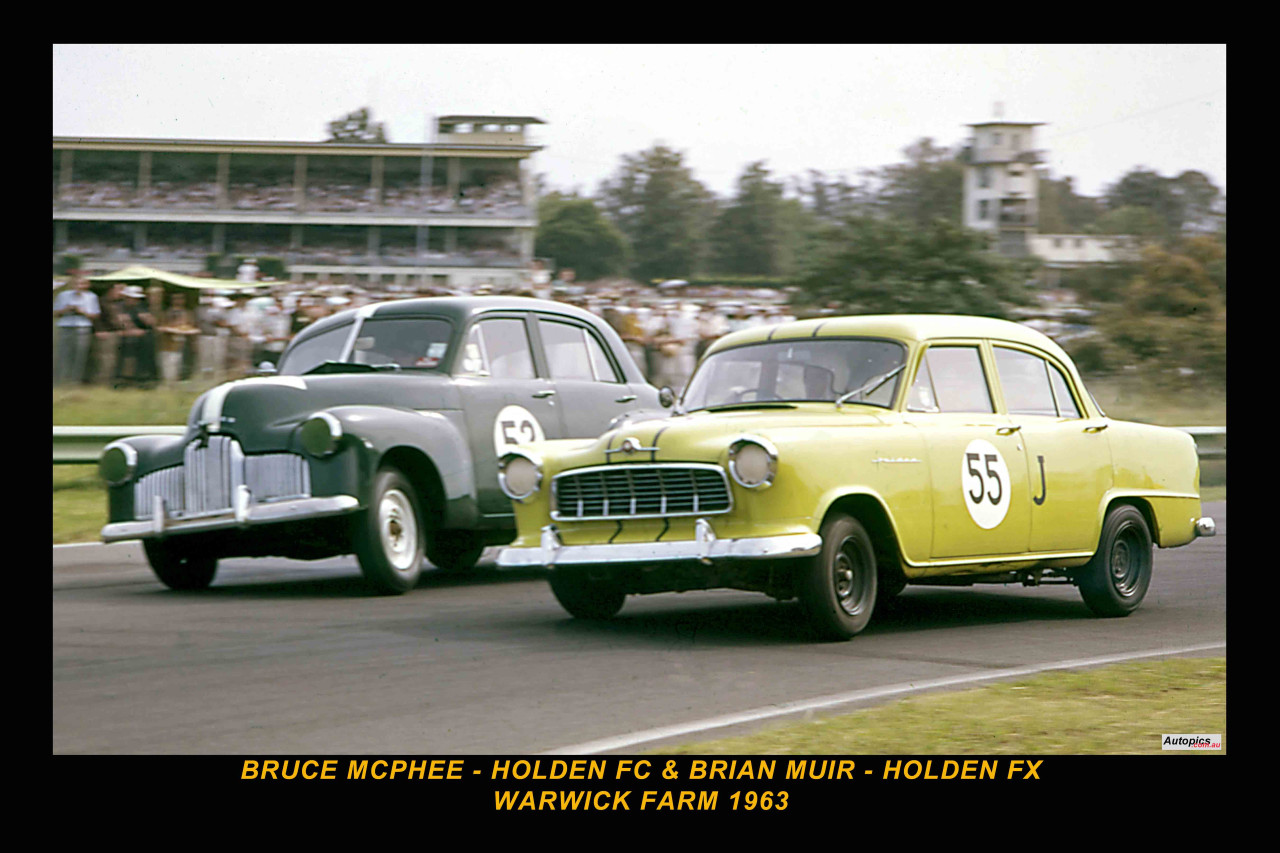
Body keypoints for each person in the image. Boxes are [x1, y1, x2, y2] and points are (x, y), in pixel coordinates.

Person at [53, 272, 100, 385]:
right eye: (76, 283)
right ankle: (59, 381)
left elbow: (95, 315)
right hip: (65, 327)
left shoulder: (91, 297)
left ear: (86, 285)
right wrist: (65, 309)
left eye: (81, 284)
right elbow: (55, 313)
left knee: (79, 355)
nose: (78, 286)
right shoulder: (63, 295)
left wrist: (82, 312)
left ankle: (74, 381)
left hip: (82, 328)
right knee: (63, 355)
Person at [155, 292, 200, 384]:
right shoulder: (165, 313)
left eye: (180, 299)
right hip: (168, 345)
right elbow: (159, 327)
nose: (178, 301)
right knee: (169, 367)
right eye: (176, 299)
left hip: (184, 344)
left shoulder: (188, 313)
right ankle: (168, 383)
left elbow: (192, 326)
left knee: (181, 366)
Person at [117, 285, 157, 387]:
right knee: (127, 360)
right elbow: (123, 323)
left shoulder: (142, 307)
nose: (135, 301)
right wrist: (131, 330)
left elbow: (152, 322)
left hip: (143, 339)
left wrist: (146, 319)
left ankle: (142, 380)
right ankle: (125, 381)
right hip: (127, 339)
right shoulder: (121, 307)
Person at [92, 283, 126, 385]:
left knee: (112, 361)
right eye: (119, 290)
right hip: (105, 334)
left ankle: (108, 382)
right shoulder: (102, 302)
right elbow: (96, 317)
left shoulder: (118, 303)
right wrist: (99, 330)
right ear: (111, 290)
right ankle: (101, 383)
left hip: (115, 334)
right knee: (105, 360)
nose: (121, 293)